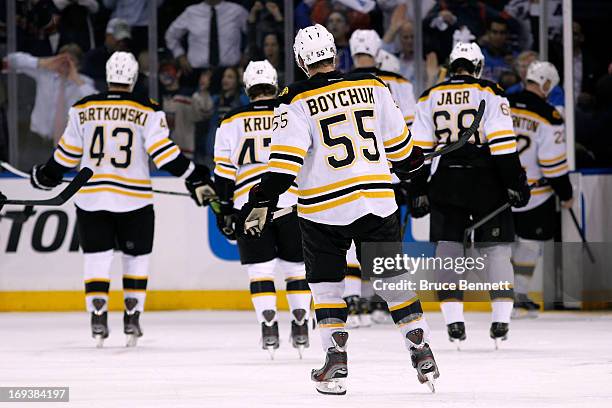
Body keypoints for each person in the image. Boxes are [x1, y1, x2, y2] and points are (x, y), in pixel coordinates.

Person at [239, 24, 439, 395]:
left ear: (301, 61)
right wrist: (414, 164)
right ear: (335, 54)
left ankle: (336, 363)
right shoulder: (374, 87)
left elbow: (283, 167)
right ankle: (420, 347)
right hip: (377, 204)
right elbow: (404, 155)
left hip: (323, 212)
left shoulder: (294, 100)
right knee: (393, 283)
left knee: (328, 290)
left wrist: (259, 200)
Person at [29, 52, 216, 348]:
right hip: (134, 200)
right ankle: (132, 316)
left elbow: (65, 156)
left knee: (96, 258)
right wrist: (194, 173)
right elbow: (164, 154)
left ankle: (98, 315)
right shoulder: (147, 109)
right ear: (132, 78)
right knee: (136, 257)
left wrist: (46, 175)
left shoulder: (83, 108)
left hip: (91, 199)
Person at [410, 42, 531, 348]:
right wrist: (515, 181)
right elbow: (502, 143)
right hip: (486, 180)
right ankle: (501, 321)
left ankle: (454, 323)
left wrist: (418, 189)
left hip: (447, 178)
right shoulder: (490, 91)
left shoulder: (429, 96)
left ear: (451, 66)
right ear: (477, 68)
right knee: (496, 249)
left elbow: (420, 152)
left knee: (448, 249)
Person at [213, 60, 311, 358]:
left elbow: (223, 172)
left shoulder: (230, 120)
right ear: (274, 82)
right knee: (296, 270)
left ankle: (268, 329)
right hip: (291, 202)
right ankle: (301, 324)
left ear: (247, 87)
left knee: (260, 271)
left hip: (249, 205)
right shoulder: (291, 111)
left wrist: (224, 209)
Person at [343, 29, 419, 328]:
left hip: (349, 173)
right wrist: (411, 170)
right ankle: (379, 301)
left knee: (349, 236)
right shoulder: (398, 83)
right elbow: (409, 131)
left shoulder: (340, 83)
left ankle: (352, 301)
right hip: (389, 176)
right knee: (384, 241)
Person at [507, 61, 573, 318]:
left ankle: (505, 297)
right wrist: (565, 193)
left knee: (502, 245)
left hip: (500, 190)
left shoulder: (502, 104)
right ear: (545, 84)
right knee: (529, 244)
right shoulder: (549, 115)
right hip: (534, 194)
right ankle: (520, 296)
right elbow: (553, 164)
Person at [4, 44, 96, 167]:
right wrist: (42, 62)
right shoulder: (44, 74)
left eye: (70, 61)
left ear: (78, 65)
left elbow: (96, 103)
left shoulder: (83, 83)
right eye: (62, 59)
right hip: (37, 140)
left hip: (67, 143)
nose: (65, 63)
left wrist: (76, 79)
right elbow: (11, 60)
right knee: (25, 178)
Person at [164, 0, 248, 82]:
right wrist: (180, 55)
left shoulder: (237, 11)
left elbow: (253, 32)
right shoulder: (191, 12)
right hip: (197, 73)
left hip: (230, 73)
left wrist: (247, 53)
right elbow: (171, 35)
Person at [82, 18, 132, 91]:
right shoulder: (93, 57)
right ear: (108, 36)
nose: (121, 43)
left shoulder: (130, 58)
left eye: (124, 40)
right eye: (118, 40)